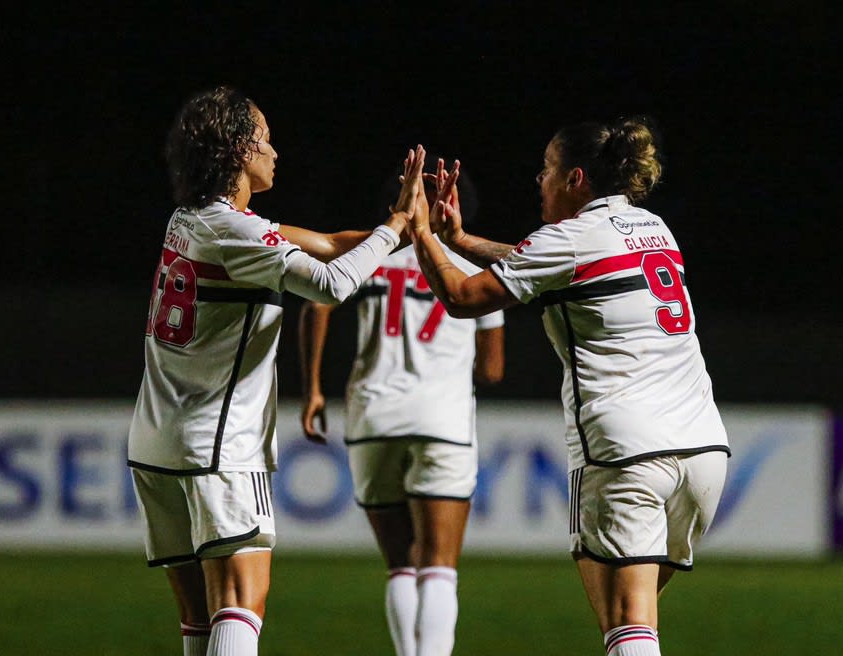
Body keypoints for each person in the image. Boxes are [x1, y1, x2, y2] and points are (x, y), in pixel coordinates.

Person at [407, 120, 730, 656]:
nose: (540, 179)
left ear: (576, 178)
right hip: (703, 452)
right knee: (627, 620)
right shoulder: (653, 227)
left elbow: (463, 297)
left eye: (548, 169)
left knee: (628, 622)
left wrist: (420, 234)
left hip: (628, 452)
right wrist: (460, 240)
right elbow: (551, 264)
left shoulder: (569, 239)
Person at [127, 85, 425, 656]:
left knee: (199, 617)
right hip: (217, 443)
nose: (275, 151)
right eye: (264, 138)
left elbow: (331, 245)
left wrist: (411, 230)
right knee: (242, 600)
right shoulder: (237, 233)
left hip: (157, 440)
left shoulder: (193, 220)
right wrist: (393, 227)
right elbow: (333, 285)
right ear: (238, 148)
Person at [297, 167, 504, 656]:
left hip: (373, 413)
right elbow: (492, 371)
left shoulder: (375, 253)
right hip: (443, 420)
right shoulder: (475, 268)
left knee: (399, 565)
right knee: (437, 565)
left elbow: (317, 305)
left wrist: (313, 390)